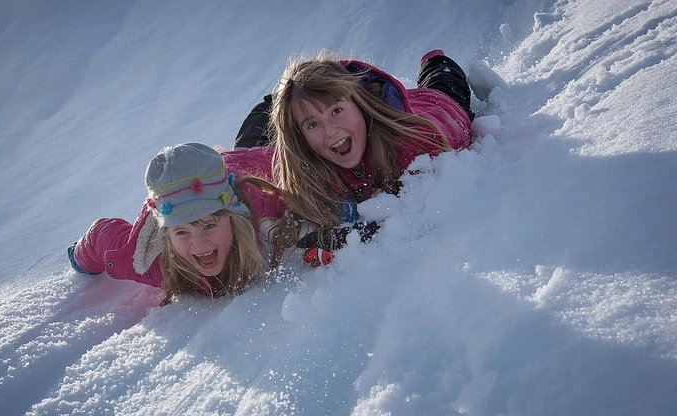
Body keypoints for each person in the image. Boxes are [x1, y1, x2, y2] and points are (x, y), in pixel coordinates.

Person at [238, 50, 474, 265]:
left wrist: (358, 234)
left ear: (360, 105)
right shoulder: (309, 160)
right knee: (272, 119)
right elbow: (251, 168)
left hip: (439, 106)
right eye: (313, 124)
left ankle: (435, 60)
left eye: (337, 111)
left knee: (444, 81)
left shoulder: (413, 145)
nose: (330, 130)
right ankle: (292, 101)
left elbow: (418, 213)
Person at [68, 142, 285, 304]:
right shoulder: (149, 259)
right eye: (182, 232)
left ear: (232, 217)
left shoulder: (260, 205)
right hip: (193, 189)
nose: (198, 243)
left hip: (252, 161)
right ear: (166, 235)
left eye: (209, 225)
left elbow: (291, 166)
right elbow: (101, 237)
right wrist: (79, 259)